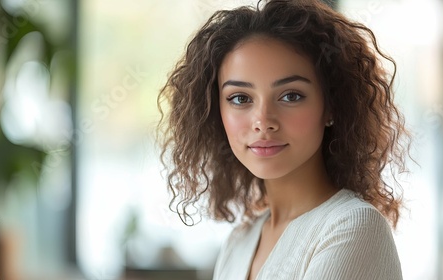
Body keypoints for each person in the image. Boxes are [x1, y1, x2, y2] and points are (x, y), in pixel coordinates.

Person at [157, 0, 410, 279]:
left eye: (291, 96)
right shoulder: (240, 241)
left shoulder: (353, 228)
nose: (263, 121)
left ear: (331, 106)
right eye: (240, 98)